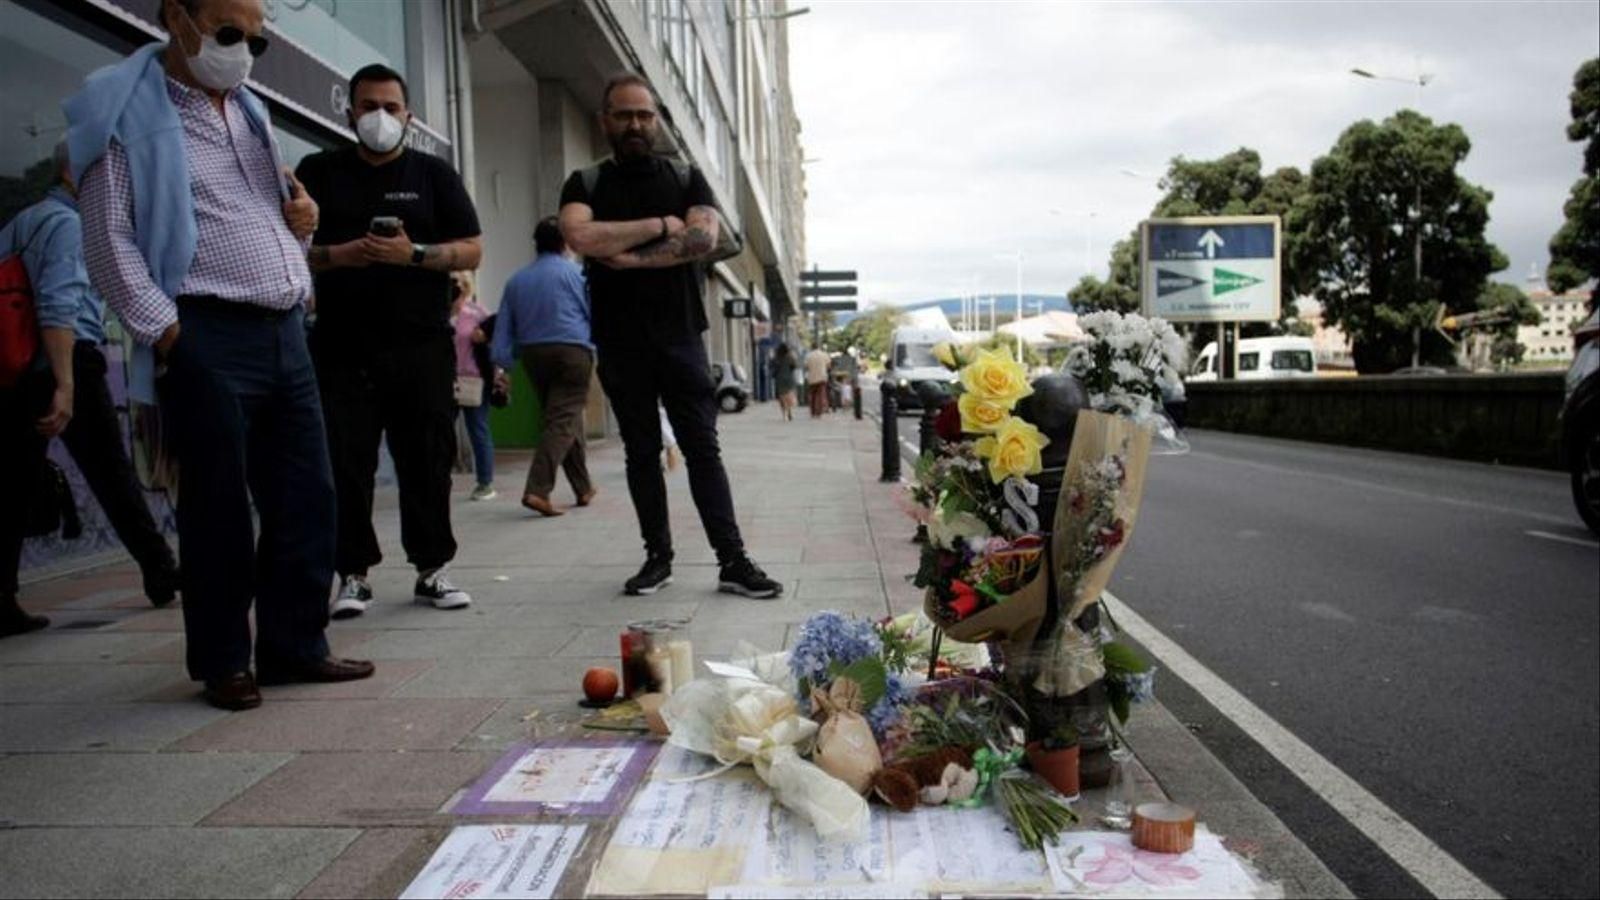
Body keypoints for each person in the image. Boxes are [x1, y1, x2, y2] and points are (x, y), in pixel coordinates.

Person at [69, 0, 374, 708]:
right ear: (178, 16)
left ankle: (296, 644)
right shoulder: (124, 113)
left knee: (308, 496)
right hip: (206, 329)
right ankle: (223, 660)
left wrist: (305, 224)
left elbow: (265, 214)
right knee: (217, 508)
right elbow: (108, 239)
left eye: (255, 42)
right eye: (228, 33)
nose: (241, 51)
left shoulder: (251, 111)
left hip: (283, 328)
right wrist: (172, 334)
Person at [558, 72, 782, 599]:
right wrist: (662, 226)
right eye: (624, 115)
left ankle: (733, 560)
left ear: (657, 120)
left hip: (681, 335)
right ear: (605, 121)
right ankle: (657, 558)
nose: (635, 124)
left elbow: (703, 236)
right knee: (641, 452)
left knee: (703, 448)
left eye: (644, 115)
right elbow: (578, 235)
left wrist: (627, 259)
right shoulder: (586, 183)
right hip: (618, 338)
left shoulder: (686, 178)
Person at [295, 62, 483, 619]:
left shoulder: (434, 175)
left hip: (420, 344)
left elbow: (472, 248)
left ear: (409, 116)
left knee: (426, 458)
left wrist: (416, 255)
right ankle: (352, 574)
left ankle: (432, 568)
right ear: (349, 111)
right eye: (369, 106)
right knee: (344, 462)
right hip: (341, 346)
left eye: (391, 107)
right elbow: (289, 249)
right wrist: (342, 255)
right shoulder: (319, 171)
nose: (380, 117)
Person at [0, 143, 181, 639]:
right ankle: (161, 570)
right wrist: (65, 382)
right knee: (112, 475)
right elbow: (59, 305)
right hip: (64, 359)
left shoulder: (23, 221)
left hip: (15, 369)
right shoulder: (71, 226)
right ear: (72, 172)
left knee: (13, 483)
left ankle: (1, 598)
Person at [490, 217, 595, 517]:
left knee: (561, 416)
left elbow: (504, 326)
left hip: (534, 355)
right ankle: (537, 490)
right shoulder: (577, 274)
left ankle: (583, 487)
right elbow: (594, 314)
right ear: (565, 243)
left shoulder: (517, 280)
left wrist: (502, 364)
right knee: (561, 419)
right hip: (574, 350)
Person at [450, 271, 497, 501]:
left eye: (459, 281)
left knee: (477, 428)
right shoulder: (442, 312)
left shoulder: (477, 313)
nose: (455, 285)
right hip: (445, 379)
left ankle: (485, 482)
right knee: (440, 430)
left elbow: (494, 336)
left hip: (473, 378)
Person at [770, 342, 798, 422]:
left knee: (781, 397)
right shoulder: (790, 357)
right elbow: (794, 366)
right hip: (789, 378)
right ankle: (789, 410)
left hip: (779, 379)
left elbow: (772, 366)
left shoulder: (776, 357)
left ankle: (784, 414)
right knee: (788, 396)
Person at [804, 344, 830, 418]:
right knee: (821, 395)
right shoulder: (824, 355)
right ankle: (819, 412)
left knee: (812, 395)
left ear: (811, 347)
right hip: (822, 377)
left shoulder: (808, 356)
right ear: (818, 347)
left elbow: (806, 366)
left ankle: (813, 412)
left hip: (812, 378)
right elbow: (828, 365)